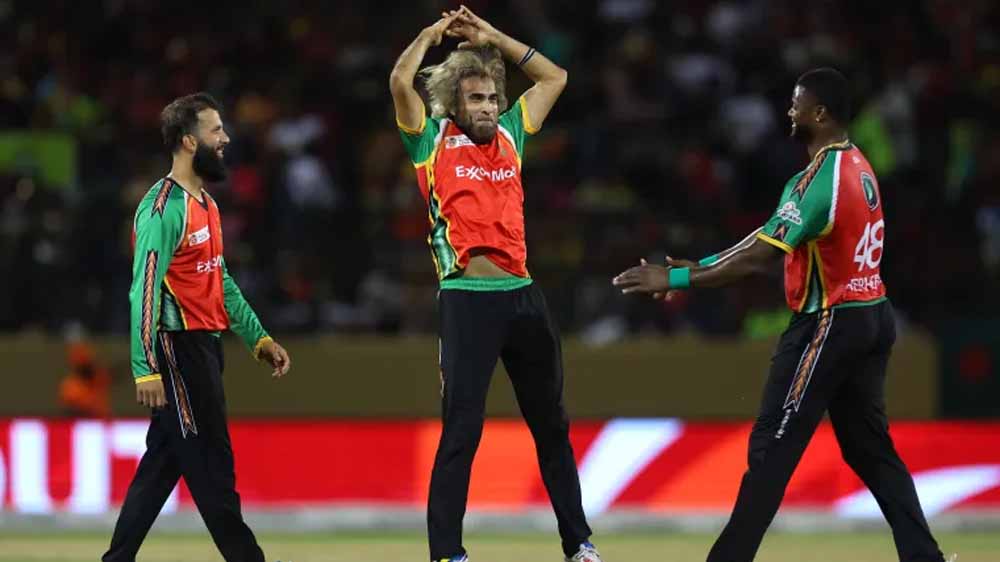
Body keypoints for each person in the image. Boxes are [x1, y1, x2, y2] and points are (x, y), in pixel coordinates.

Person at [613, 68, 949, 562]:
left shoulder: (817, 182)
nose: (789, 111)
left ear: (821, 113)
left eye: (797, 103)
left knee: (772, 448)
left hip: (829, 322)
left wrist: (677, 280)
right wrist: (697, 265)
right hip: (871, 315)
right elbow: (767, 236)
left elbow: (758, 257)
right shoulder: (855, 164)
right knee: (870, 450)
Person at [390, 6, 601, 562]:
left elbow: (555, 77)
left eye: (491, 98)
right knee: (461, 431)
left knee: (551, 426)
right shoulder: (430, 140)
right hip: (467, 300)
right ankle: (447, 553)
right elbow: (399, 82)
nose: (486, 107)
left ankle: (579, 544)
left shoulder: (512, 132)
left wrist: (493, 38)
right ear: (454, 102)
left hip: (524, 297)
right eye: (475, 99)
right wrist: (429, 35)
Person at [103, 93, 291, 562]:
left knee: (162, 467)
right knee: (212, 467)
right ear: (189, 141)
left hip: (204, 349)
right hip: (176, 351)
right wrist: (145, 368)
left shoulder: (206, 204)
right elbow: (144, 290)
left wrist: (257, 336)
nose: (225, 138)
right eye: (216, 130)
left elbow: (219, 279)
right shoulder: (163, 209)